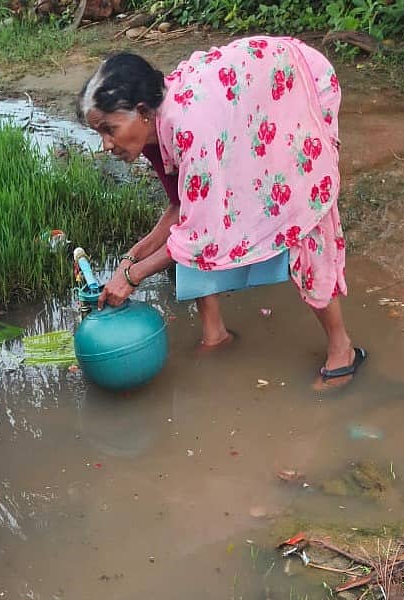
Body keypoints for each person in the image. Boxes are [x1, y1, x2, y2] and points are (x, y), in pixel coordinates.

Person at [76, 36, 367, 387]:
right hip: (243, 101)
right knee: (202, 210)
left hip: (293, 83)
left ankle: (342, 349)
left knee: (299, 207)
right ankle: (215, 334)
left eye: (110, 129)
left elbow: (198, 237)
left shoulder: (188, 129)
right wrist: (132, 257)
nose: (106, 145)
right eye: (99, 133)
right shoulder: (154, 129)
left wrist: (134, 276)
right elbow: (183, 209)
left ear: (142, 112)